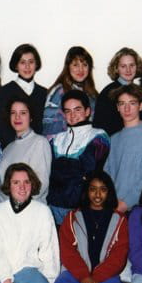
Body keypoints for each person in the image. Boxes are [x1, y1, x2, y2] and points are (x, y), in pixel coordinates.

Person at [52, 171, 128, 283]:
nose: (98, 194)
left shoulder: (120, 220)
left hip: (105, 276)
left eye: (103, 189)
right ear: (86, 192)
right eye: (93, 189)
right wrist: (84, 276)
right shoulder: (72, 218)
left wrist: (96, 278)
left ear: (109, 192)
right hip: (75, 274)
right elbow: (68, 252)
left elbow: (118, 257)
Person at [47, 90, 110, 224]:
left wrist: (61, 170)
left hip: (81, 209)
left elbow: (89, 171)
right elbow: (49, 172)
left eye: (77, 110)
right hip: (53, 207)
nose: (72, 115)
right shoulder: (57, 139)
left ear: (87, 111)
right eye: (68, 111)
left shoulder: (98, 136)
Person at [103, 83, 142, 212]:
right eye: (122, 104)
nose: (127, 108)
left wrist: (127, 202)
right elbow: (107, 175)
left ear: (140, 106)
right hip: (115, 206)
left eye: (132, 103)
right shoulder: (114, 139)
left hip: (141, 206)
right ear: (117, 107)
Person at [0, 97, 52, 203]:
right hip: (5, 208)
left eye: (23, 113)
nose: (17, 117)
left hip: (29, 209)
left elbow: (41, 186)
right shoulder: (7, 149)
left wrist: (18, 208)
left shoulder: (39, 142)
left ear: (31, 117)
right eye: (13, 113)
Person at [0, 44, 46, 148]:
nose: (27, 66)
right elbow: (2, 127)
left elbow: (44, 126)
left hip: (38, 148)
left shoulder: (43, 93)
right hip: (13, 149)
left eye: (31, 62)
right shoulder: (5, 91)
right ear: (16, 65)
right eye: (22, 62)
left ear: (36, 64)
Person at [43, 46, 98, 139]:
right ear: (68, 67)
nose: (81, 69)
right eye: (76, 65)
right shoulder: (59, 92)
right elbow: (49, 130)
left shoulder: (92, 94)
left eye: (85, 65)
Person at [93, 47, 142, 136]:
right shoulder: (109, 92)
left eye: (132, 65)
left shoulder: (140, 91)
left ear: (137, 67)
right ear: (116, 68)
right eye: (123, 66)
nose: (128, 70)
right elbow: (101, 126)